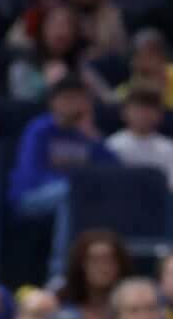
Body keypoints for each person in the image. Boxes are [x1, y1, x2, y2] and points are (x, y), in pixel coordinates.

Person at [9, 78, 116, 265]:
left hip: (74, 197)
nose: (73, 105)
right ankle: (59, 270)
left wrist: (94, 137)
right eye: (68, 99)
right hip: (30, 197)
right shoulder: (40, 129)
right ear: (54, 102)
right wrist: (72, 182)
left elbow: (113, 170)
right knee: (71, 192)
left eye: (79, 99)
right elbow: (31, 175)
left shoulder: (84, 134)